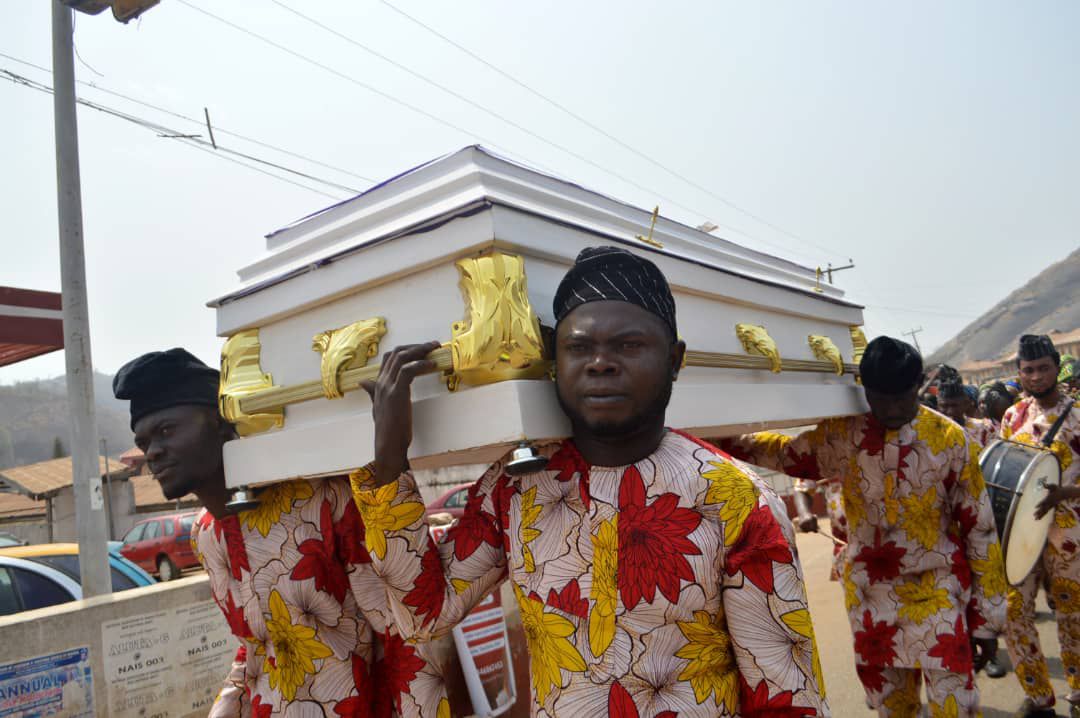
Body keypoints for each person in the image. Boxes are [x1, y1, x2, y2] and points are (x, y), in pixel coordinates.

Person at [351, 246, 829, 716]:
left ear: (675, 360)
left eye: (628, 345)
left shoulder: (734, 498)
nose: (600, 362)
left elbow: (786, 693)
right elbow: (424, 613)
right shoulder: (518, 487)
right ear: (556, 363)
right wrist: (390, 459)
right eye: (579, 347)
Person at [113, 348, 449, 717]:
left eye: (165, 431)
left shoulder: (322, 501)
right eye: (144, 443)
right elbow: (256, 648)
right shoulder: (206, 535)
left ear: (221, 423)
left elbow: (403, 635)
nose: (153, 453)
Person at [718, 336, 1006, 717]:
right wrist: (722, 436)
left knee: (956, 707)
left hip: (939, 593)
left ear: (919, 386)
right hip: (872, 600)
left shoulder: (950, 441)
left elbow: (980, 530)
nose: (890, 409)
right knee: (892, 709)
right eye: (879, 398)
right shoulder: (844, 433)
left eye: (901, 398)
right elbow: (786, 454)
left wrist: (987, 620)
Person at [998, 334, 1080, 717]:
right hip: (1023, 532)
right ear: (1019, 373)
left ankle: (1078, 689)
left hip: (1070, 532)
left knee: (1073, 612)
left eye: (1043, 367)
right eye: (1028, 370)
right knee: (1014, 611)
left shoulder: (1078, 412)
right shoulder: (1012, 417)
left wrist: (1066, 491)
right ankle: (1039, 698)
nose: (1035, 376)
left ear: (1056, 366)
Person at [791, 477, 847, 581]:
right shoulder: (827, 460)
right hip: (845, 548)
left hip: (885, 543)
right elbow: (801, 488)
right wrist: (804, 513)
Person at [939, 380, 997, 450]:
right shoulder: (931, 433)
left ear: (966, 404)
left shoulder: (984, 429)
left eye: (955, 406)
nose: (950, 411)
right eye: (944, 406)